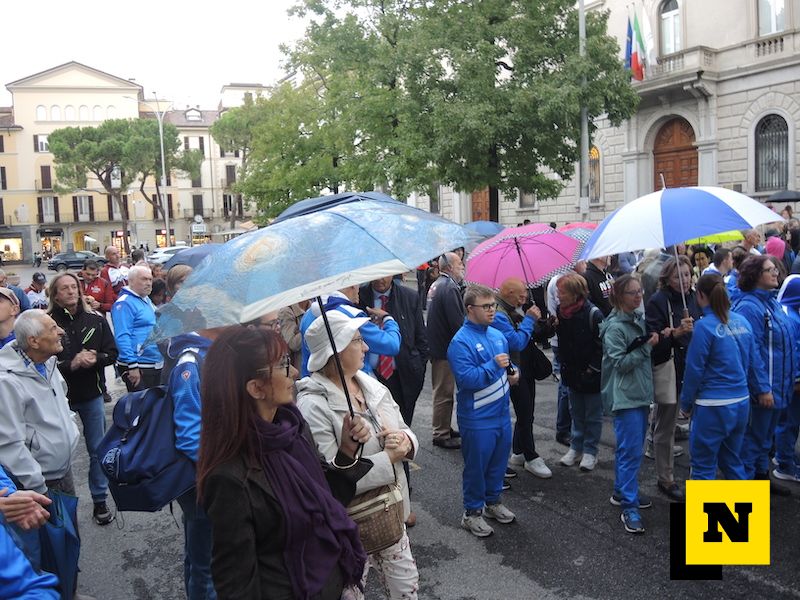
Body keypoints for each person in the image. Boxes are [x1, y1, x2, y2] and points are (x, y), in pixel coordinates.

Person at [197, 326, 373, 600]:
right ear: (256, 388)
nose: (294, 372)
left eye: (289, 360)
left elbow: (325, 499)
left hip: (332, 579)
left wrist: (347, 452)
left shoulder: (293, 428)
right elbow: (236, 583)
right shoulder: (229, 477)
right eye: (282, 365)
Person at [298, 310, 419, 598]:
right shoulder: (312, 406)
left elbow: (404, 428)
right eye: (357, 340)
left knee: (407, 590)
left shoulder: (371, 384)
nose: (365, 347)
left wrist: (406, 442)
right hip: (350, 525)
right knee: (351, 593)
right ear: (337, 350)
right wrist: (388, 459)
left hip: (391, 514)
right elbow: (330, 479)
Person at [0, 310, 81, 567]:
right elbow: (9, 444)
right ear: (33, 341)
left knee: (69, 539)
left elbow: (62, 401)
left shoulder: (48, 362)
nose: (61, 332)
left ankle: (70, 582)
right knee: (50, 550)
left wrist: (70, 430)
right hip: (40, 482)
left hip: (63, 469)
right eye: (53, 328)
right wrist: (37, 486)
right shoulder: (6, 381)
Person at [680, 274, 768, 480]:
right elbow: (755, 362)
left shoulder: (703, 327)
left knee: (703, 466)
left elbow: (694, 369)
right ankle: (742, 503)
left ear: (700, 296)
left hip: (712, 405)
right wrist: (763, 389)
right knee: (732, 461)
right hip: (741, 402)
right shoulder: (743, 322)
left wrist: (685, 403)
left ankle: (706, 504)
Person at [448, 285, 519, 537]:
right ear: (470, 309)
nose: (492, 311)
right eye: (486, 306)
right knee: (476, 468)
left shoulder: (498, 335)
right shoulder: (460, 342)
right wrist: (493, 365)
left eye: (493, 305)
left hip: (501, 414)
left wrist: (514, 373)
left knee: (498, 463)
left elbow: (508, 367)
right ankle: (472, 513)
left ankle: (493, 502)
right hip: (477, 417)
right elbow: (467, 379)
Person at [49, 273, 118, 526]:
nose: (71, 291)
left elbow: (112, 353)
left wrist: (96, 358)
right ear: (55, 295)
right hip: (59, 399)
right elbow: (42, 362)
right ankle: (61, 507)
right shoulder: (47, 323)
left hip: (91, 394)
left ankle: (99, 500)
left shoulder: (95, 320)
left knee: (98, 450)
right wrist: (71, 364)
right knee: (60, 453)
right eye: (64, 288)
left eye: (74, 287)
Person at [359, 275, 428, 524]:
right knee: (373, 444)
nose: (380, 279)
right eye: (375, 274)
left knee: (400, 439)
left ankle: (403, 502)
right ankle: (380, 503)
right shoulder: (359, 297)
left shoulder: (408, 296)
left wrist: (418, 369)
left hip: (401, 380)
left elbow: (421, 339)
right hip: (369, 379)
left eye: (385, 274)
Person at [165, 326, 224, 600]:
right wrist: (219, 473)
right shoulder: (191, 362)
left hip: (211, 472)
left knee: (201, 552)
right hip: (203, 478)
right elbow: (189, 435)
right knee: (207, 563)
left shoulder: (213, 353)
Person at [733, 255, 798, 496]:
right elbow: (752, 354)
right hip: (764, 390)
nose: (776, 273)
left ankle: (762, 479)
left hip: (778, 386)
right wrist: (762, 388)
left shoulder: (771, 303)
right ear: (755, 276)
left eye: (775, 269)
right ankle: (747, 496)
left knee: (765, 440)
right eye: (769, 270)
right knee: (752, 441)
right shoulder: (749, 307)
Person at [600, 274, 659, 534]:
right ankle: (629, 506)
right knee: (630, 452)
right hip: (625, 397)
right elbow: (620, 364)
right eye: (632, 292)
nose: (638, 296)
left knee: (631, 449)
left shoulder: (636, 319)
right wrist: (647, 347)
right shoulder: (615, 328)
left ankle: (622, 491)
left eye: (640, 291)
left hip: (638, 393)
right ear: (619, 296)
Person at [644, 256, 700, 502]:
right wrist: (675, 333)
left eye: (687, 274)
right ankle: (665, 477)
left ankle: (700, 473)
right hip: (672, 371)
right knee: (665, 427)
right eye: (679, 276)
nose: (685, 280)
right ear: (667, 278)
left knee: (700, 424)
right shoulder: (658, 301)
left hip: (695, 370)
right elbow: (652, 342)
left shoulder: (695, 297)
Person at [492, 277, 552, 479]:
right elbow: (516, 342)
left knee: (527, 411)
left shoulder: (510, 308)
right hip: (511, 369)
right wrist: (529, 319)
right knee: (524, 411)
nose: (524, 299)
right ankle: (530, 456)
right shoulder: (499, 314)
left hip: (523, 365)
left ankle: (519, 451)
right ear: (509, 294)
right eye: (521, 296)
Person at [555, 273, 605, 471]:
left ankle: (591, 451)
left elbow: (602, 345)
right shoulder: (561, 313)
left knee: (592, 414)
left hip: (591, 374)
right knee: (576, 412)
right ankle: (576, 448)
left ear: (575, 294)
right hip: (571, 371)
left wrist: (592, 368)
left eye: (562, 292)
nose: (558, 296)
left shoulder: (593, 314)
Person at [299, 285, 400, 378]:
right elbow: (391, 345)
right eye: (358, 284)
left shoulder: (308, 315)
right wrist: (388, 319)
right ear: (352, 285)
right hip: (352, 381)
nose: (359, 289)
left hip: (315, 380)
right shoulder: (352, 315)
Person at [427, 251, 466, 449]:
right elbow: (457, 322)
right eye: (459, 264)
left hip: (438, 345)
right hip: (445, 348)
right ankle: (441, 434)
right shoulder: (449, 287)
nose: (462, 267)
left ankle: (444, 427)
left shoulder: (438, 284)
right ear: (449, 267)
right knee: (444, 393)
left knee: (443, 391)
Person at [112, 265, 162, 391]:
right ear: (131, 281)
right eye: (144, 279)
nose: (148, 283)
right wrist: (132, 365)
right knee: (142, 402)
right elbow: (122, 335)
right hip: (138, 363)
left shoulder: (145, 299)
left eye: (150, 279)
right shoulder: (124, 303)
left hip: (153, 361)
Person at [775, 274, 800, 483]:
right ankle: (785, 464)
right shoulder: (790, 317)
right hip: (791, 379)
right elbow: (794, 350)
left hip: (787, 376)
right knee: (789, 421)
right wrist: (797, 378)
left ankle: (783, 457)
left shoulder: (785, 311)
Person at [278, 300, 310, 369]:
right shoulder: (287, 311)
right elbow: (292, 344)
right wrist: (310, 326)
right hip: (302, 364)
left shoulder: (315, 307)